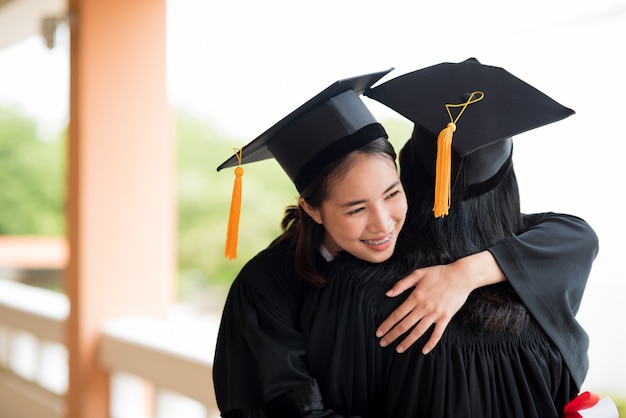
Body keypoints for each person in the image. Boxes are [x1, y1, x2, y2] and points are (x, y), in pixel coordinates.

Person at [212, 67, 598, 418]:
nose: (383, 224)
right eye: (355, 208)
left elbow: (576, 235)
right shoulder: (267, 284)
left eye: (392, 193)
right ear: (312, 209)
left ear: (407, 180)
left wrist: (464, 273)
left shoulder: (386, 287)